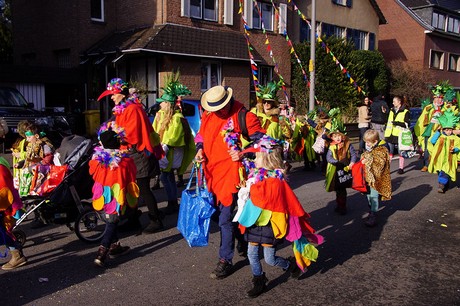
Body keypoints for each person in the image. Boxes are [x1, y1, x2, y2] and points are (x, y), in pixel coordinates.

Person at [234, 136, 320, 298]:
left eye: (257, 157)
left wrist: (251, 189)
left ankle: (290, 265)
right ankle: (259, 280)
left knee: (270, 259)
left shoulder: (276, 180)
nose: (254, 159)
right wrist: (245, 188)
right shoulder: (255, 174)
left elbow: (271, 199)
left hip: (270, 225)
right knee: (251, 253)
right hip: (254, 221)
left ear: (266, 159)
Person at [195, 85, 265, 279]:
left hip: (231, 174)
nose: (219, 111)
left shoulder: (244, 116)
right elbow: (200, 135)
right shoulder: (208, 115)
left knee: (225, 218)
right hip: (211, 173)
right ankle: (242, 239)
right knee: (216, 215)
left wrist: (243, 152)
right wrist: (199, 149)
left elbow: (263, 142)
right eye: (215, 108)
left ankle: (225, 259)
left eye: (222, 107)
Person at [98, 78, 164, 234]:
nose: (112, 98)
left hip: (139, 153)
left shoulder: (133, 109)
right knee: (130, 188)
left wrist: (114, 136)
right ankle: (133, 220)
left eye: (113, 95)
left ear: (121, 93)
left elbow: (132, 135)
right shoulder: (122, 109)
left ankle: (156, 220)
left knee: (143, 188)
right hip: (128, 153)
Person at [89, 123, 138, 267]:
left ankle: (115, 246)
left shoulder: (97, 160)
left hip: (101, 194)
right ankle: (102, 252)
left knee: (111, 219)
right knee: (112, 221)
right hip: (116, 195)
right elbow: (131, 176)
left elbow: (92, 174)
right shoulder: (125, 161)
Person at [153, 72, 195, 214]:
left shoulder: (177, 118)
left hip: (172, 153)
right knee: (167, 177)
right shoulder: (162, 115)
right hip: (165, 152)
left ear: (168, 104)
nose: (160, 104)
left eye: (162, 102)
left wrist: (162, 149)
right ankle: (172, 202)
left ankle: (173, 203)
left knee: (166, 177)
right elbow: (155, 132)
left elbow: (174, 138)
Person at [414, 82, 455, 172]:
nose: (438, 101)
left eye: (440, 98)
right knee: (427, 148)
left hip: (440, 131)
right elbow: (421, 120)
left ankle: (438, 165)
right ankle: (426, 164)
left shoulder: (447, 108)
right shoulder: (428, 108)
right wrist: (419, 131)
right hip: (429, 130)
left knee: (439, 148)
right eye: (436, 98)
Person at [360, 129, 392, 227]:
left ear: (375, 141)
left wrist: (367, 160)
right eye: (366, 142)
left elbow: (379, 164)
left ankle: (373, 214)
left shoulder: (381, 150)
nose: (367, 144)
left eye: (368, 142)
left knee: (373, 196)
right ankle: (371, 210)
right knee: (368, 196)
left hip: (375, 179)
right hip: (368, 178)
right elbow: (365, 156)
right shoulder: (370, 150)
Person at [0, 156, 27, 270]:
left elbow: (4, 191)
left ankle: (17, 256)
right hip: (5, 203)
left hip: (4, 206)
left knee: (4, 231)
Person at [325, 127, 358, 215]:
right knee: (338, 188)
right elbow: (328, 158)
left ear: (342, 136)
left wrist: (352, 163)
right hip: (335, 170)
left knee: (342, 188)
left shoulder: (347, 144)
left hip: (346, 168)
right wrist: (336, 162)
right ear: (332, 138)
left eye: (338, 135)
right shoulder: (331, 146)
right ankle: (339, 204)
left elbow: (353, 155)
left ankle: (342, 206)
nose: (337, 138)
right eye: (335, 136)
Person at [427, 109, 460, 194]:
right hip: (439, 159)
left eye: (450, 130)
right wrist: (438, 132)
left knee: (444, 172)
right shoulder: (440, 136)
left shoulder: (455, 138)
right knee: (441, 172)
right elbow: (432, 141)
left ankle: (441, 185)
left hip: (449, 159)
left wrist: (455, 149)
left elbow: (458, 146)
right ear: (443, 130)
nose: (448, 132)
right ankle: (445, 184)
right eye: (446, 130)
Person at [384, 96, 410, 175]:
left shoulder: (405, 111)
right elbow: (388, 121)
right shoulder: (391, 111)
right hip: (390, 134)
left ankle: (400, 168)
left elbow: (407, 124)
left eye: (394, 101)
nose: (393, 103)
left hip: (399, 134)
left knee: (400, 152)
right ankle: (387, 169)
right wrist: (385, 113)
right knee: (390, 152)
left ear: (399, 102)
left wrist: (397, 122)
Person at [11, 120, 29, 189]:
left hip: (25, 172)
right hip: (20, 172)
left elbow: (34, 154)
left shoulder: (29, 141)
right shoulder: (22, 141)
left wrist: (20, 154)